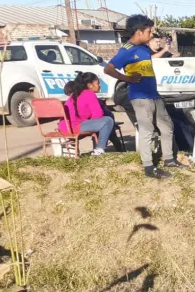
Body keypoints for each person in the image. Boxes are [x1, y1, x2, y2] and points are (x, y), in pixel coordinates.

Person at [105, 14, 182, 179]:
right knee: (147, 131)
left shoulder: (143, 49)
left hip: (154, 95)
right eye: (149, 31)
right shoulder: (127, 50)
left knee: (167, 126)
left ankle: (169, 159)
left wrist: (165, 51)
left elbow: (148, 59)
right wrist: (127, 79)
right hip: (140, 97)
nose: (151, 34)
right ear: (139, 32)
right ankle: (149, 167)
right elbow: (109, 69)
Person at [58, 72, 121, 155]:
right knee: (107, 121)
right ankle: (99, 149)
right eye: (98, 83)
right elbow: (98, 115)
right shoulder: (89, 93)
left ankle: (101, 149)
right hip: (74, 127)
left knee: (103, 123)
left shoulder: (74, 94)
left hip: (63, 127)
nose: (100, 85)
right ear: (90, 85)